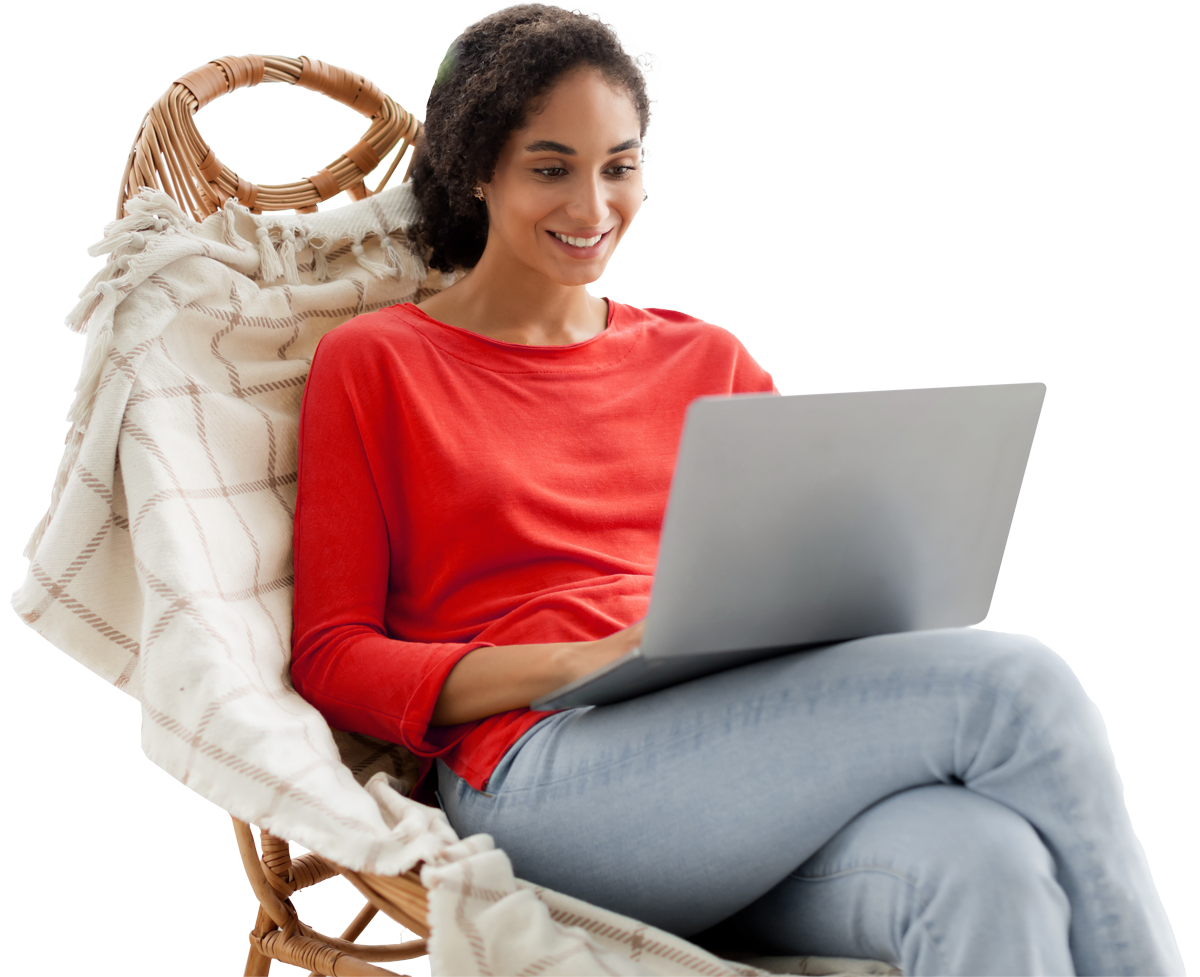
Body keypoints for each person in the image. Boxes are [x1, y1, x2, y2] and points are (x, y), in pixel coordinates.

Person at [289, 5, 1182, 975]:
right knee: (1024, 687)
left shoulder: (706, 358)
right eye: (552, 168)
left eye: (621, 167)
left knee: (987, 863)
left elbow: (806, 573)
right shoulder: (377, 363)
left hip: (728, 758)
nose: (593, 209)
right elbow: (334, 656)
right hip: (540, 770)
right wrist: (575, 661)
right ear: (478, 169)